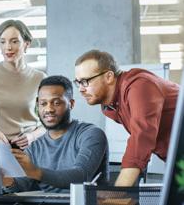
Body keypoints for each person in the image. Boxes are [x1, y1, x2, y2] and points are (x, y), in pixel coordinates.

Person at [74, 49, 179, 186]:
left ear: (109, 77)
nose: (81, 89)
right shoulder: (110, 107)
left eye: (85, 81)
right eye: (78, 82)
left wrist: (117, 196)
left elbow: (141, 137)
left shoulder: (140, 86)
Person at [2, 75, 108, 193]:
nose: (49, 109)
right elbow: (24, 184)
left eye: (56, 103)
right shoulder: (34, 148)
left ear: (71, 104)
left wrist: (36, 172)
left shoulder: (91, 135)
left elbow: (81, 176)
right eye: (43, 104)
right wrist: (5, 180)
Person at [0, 20, 46, 149]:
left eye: (14, 41)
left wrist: (32, 136)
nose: (8, 47)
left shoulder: (40, 78)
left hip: (31, 148)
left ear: (26, 44)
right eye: (3, 41)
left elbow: (49, 122)